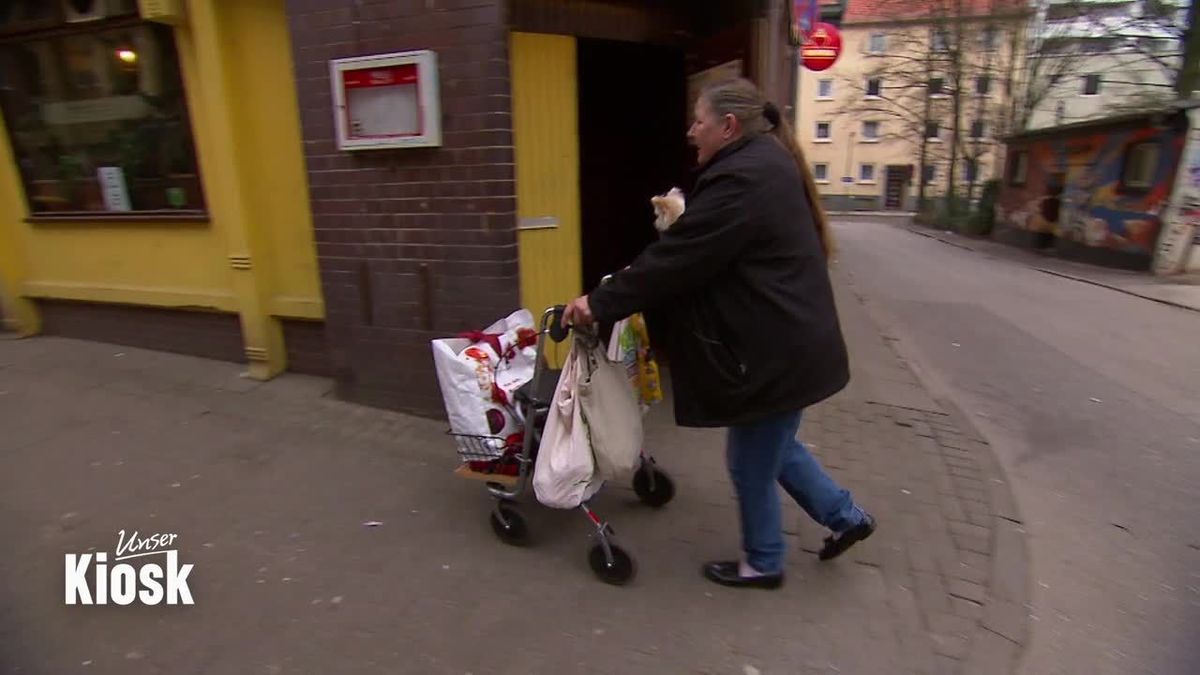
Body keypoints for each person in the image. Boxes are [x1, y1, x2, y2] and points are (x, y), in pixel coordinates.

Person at [562, 77, 875, 589]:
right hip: (792, 342)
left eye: (699, 122)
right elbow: (723, 243)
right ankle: (846, 516)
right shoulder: (764, 163)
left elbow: (679, 262)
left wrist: (597, 303)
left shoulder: (743, 178)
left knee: (750, 461)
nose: (691, 132)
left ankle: (764, 562)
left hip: (776, 349)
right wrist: (689, 224)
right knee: (775, 444)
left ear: (728, 127)